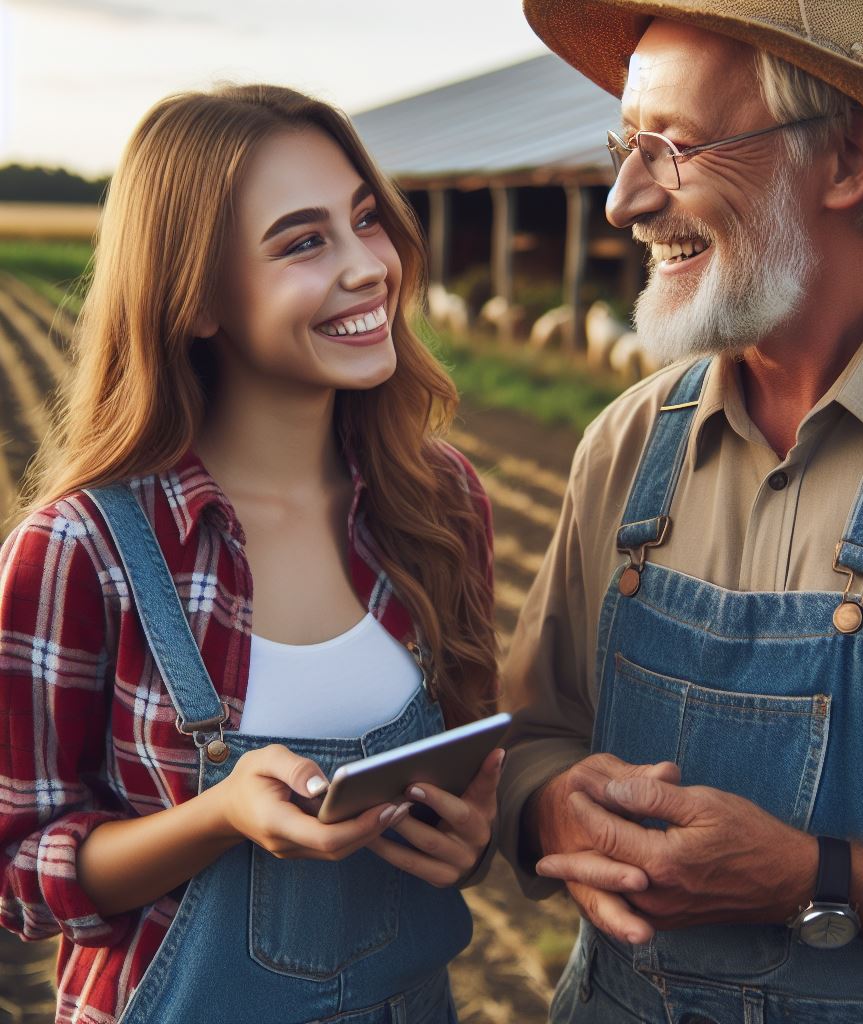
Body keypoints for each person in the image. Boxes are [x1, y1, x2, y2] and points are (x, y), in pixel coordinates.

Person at [498, 2, 863, 1023]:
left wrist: (812, 876)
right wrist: (549, 802)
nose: (623, 199)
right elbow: (532, 734)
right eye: (623, 145)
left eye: (673, 146)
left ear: (848, 160)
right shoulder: (626, 440)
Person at [0, 83, 499, 1024]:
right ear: (196, 299)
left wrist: (470, 838)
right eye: (304, 241)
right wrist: (220, 816)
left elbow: (460, 781)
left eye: (365, 220)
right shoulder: (83, 549)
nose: (368, 268)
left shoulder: (439, 503)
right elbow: (21, 873)